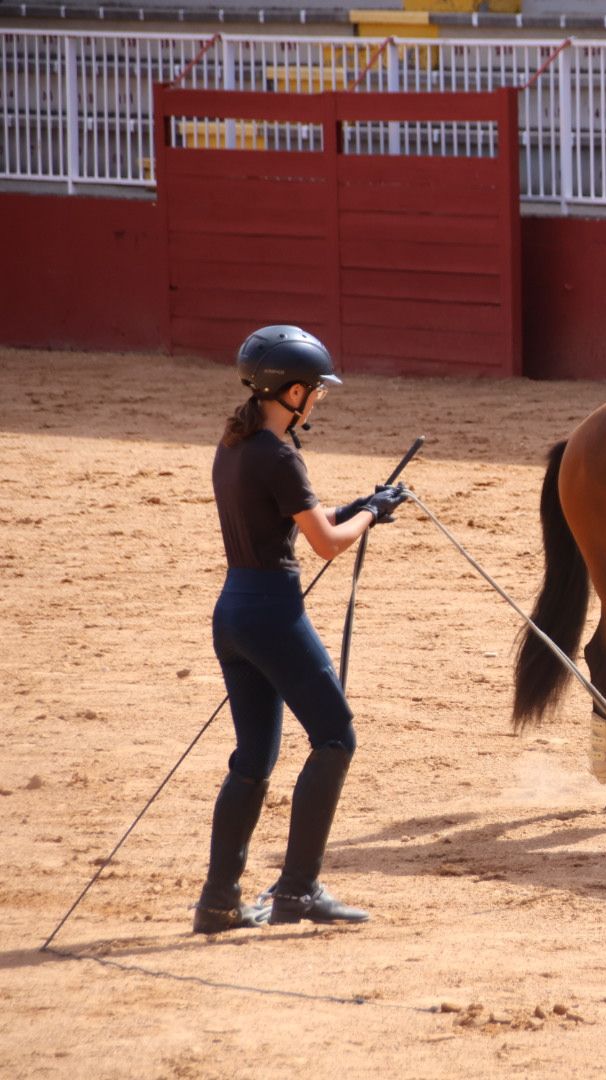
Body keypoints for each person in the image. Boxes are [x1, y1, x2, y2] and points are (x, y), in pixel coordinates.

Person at [193, 324, 409, 934]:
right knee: (336, 737)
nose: (319, 398)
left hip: (234, 611)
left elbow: (292, 523)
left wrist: (367, 504)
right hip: (273, 615)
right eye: (315, 389)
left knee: (253, 761)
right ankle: (298, 891)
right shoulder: (281, 455)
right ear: (291, 392)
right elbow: (327, 545)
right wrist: (369, 515)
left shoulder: (236, 444)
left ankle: (218, 902)